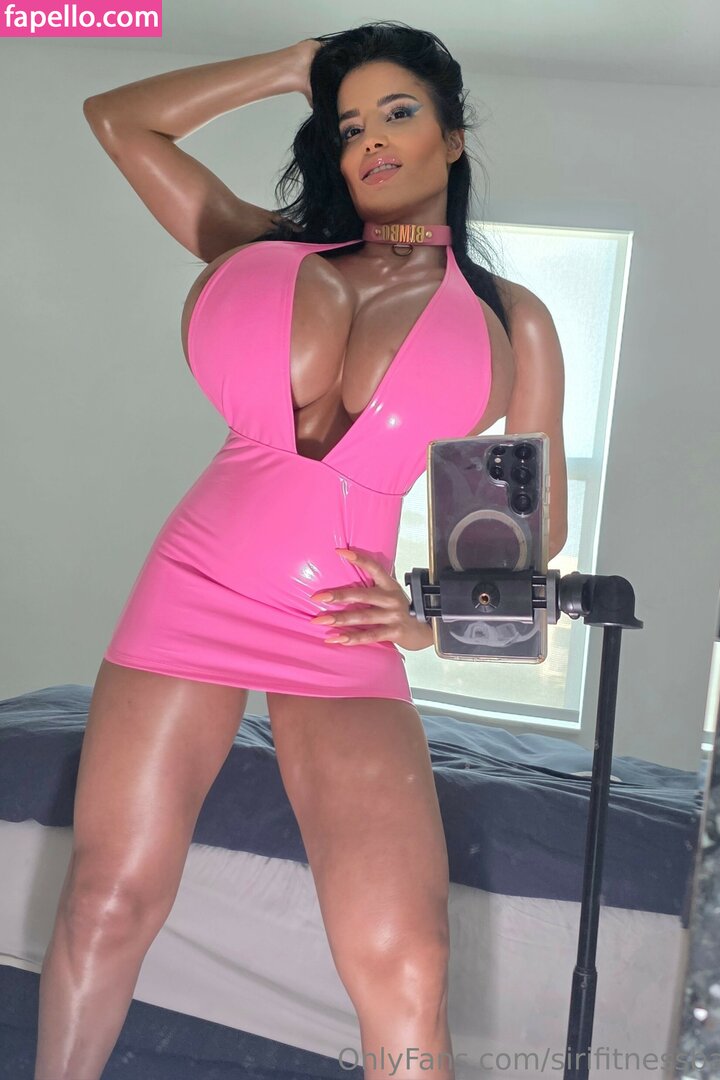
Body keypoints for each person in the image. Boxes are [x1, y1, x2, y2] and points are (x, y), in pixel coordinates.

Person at [34, 20, 568, 1080]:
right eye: (349, 124)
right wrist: (292, 68)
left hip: (341, 632)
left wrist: (430, 620)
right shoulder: (267, 249)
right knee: (105, 900)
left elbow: (530, 533)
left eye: (398, 113)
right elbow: (119, 120)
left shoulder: (507, 318)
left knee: (407, 959)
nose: (372, 139)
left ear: (453, 138)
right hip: (193, 588)